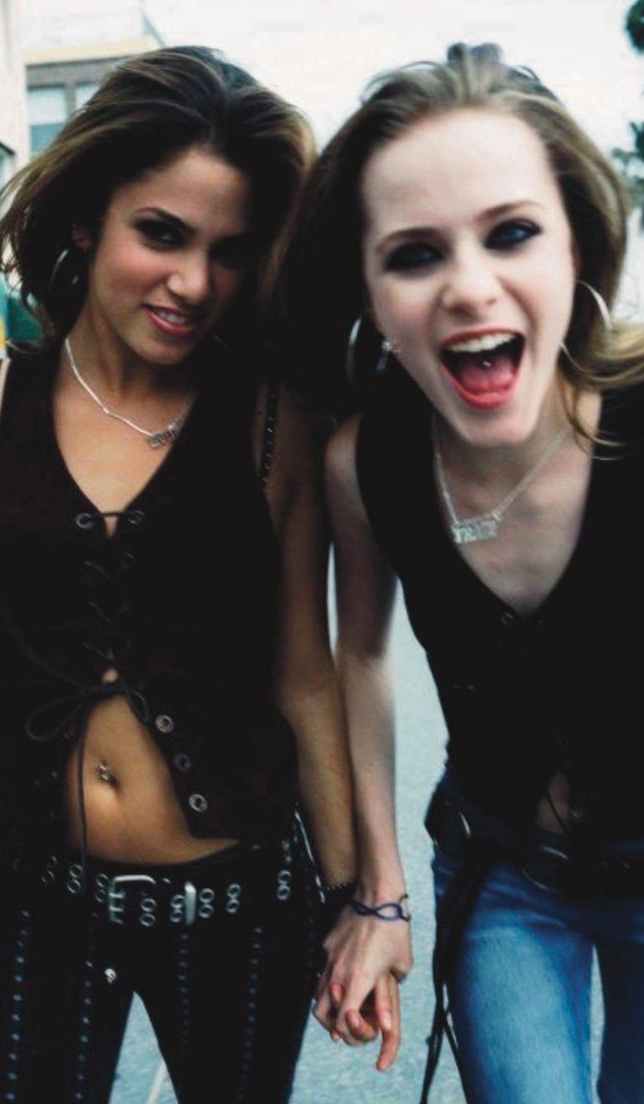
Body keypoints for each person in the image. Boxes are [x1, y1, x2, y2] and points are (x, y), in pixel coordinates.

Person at [0, 46, 360, 1103]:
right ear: (85, 219)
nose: (193, 284)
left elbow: (305, 669)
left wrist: (361, 900)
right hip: (31, 896)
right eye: (160, 233)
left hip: (241, 905)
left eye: (230, 252)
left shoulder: (273, 423)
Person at [288, 41, 644, 1103]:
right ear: (366, 289)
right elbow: (358, 657)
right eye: (413, 255)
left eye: (512, 233)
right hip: (504, 881)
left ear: (575, 241)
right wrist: (378, 893)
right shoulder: (366, 464)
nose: (469, 287)